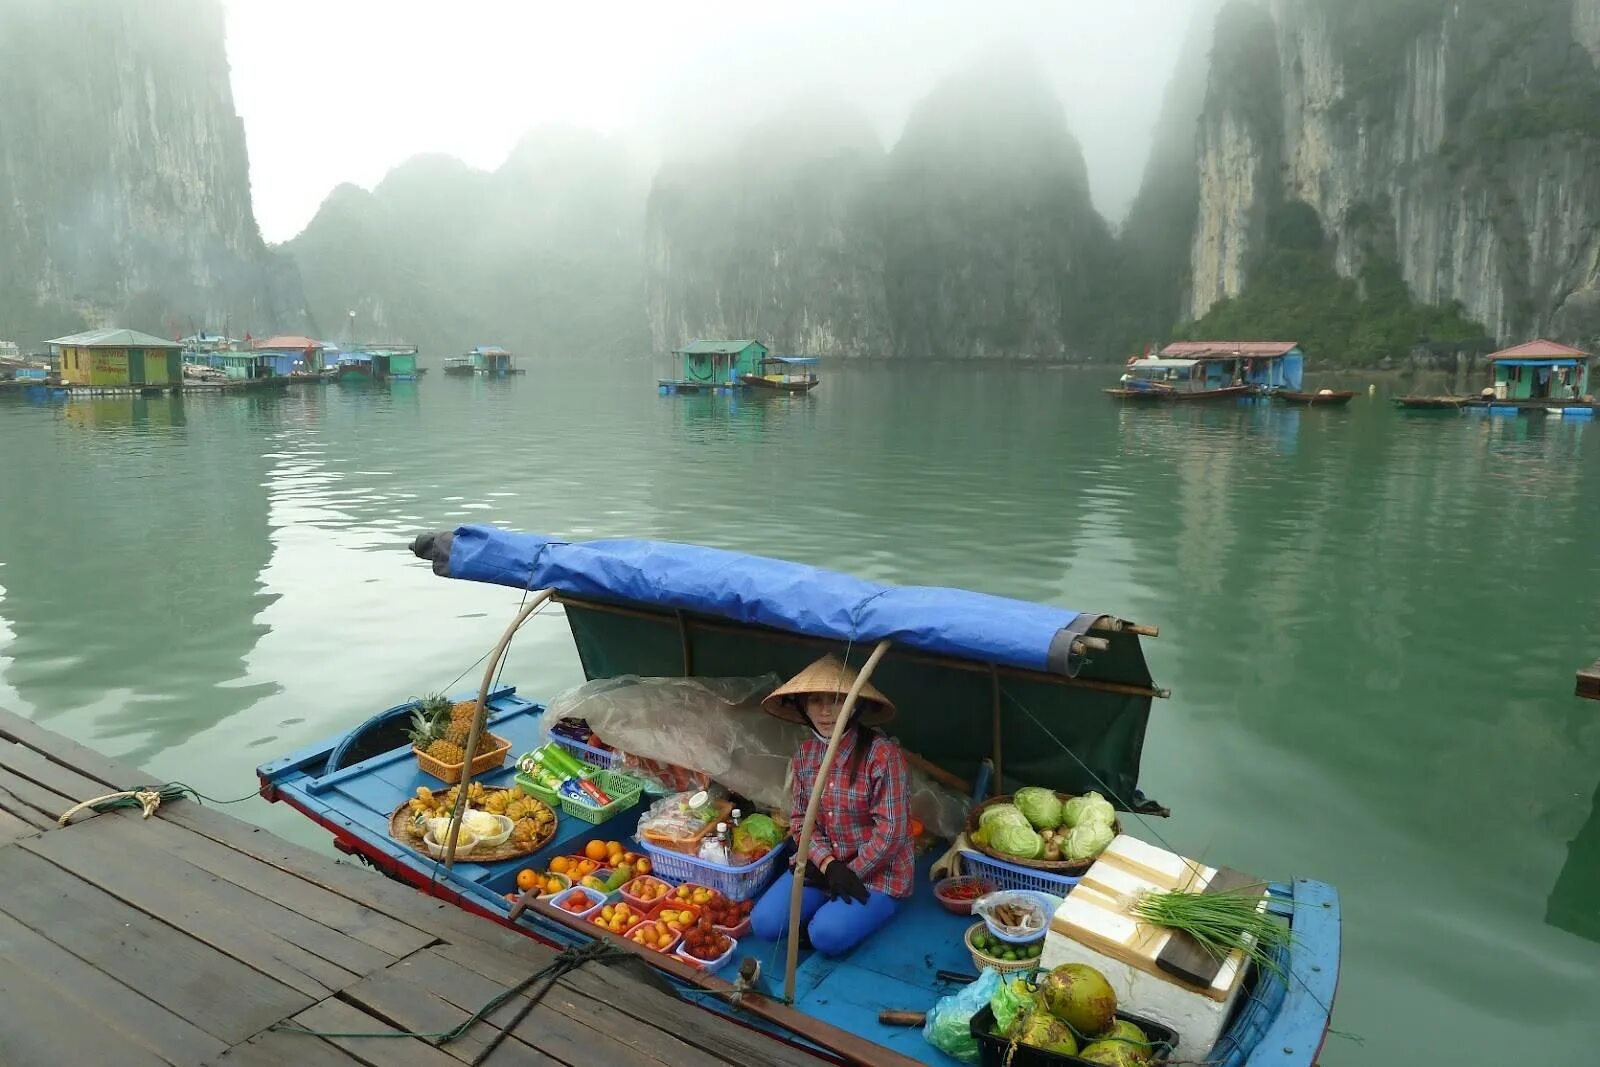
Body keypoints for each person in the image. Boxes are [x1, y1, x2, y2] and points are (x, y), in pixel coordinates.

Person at [749, 654, 912, 956]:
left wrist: (850, 871)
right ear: (802, 706)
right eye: (814, 700)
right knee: (764, 923)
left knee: (825, 935)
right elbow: (800, 821)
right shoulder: (805, 756)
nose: (825, 711)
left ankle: (866, 910)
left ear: (855, 705)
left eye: (837, 700)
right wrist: (827, 864)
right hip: (824, 866)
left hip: (878, 872)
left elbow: (892, 832)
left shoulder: (882, 756)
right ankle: (826, 904)